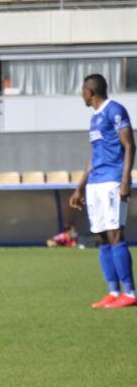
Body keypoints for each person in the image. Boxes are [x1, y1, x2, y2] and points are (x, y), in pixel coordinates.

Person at [69, 73, 136, 308]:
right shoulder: (94, 118)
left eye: (82, 91)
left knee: (115, 233)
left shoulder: (114, 110)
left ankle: (129, 293)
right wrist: (80, 187)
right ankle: (113, 291)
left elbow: (129, 145)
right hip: (95, 183)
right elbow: (94, 156)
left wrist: (125, 180)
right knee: (101, 236)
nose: (81, 95)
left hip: (112, 181)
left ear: (90, 92)